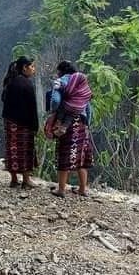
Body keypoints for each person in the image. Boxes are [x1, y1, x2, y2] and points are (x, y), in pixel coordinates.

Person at [49, 60, 94, 198]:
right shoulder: (81, 83)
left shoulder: (62, 81)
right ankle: (82, 189)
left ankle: (61, 190)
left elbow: (56, 101)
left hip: (66, 125)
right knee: (81, 156)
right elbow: (88, 107)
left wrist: (55, 112)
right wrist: (87, 123)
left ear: (61, 71)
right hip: (80, 123)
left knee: (64, 154)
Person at [1, 56, 39, 189]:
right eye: (32, 67)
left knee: (12, 150)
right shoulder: (26, 84)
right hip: (24, 123)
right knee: (25, 150)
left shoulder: (10, 82)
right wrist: (35, 126)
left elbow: (3, 100)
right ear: (25, 67)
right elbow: (32, 107)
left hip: (9, 122)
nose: (34, 70)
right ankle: (26, 180)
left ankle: (13, 179)